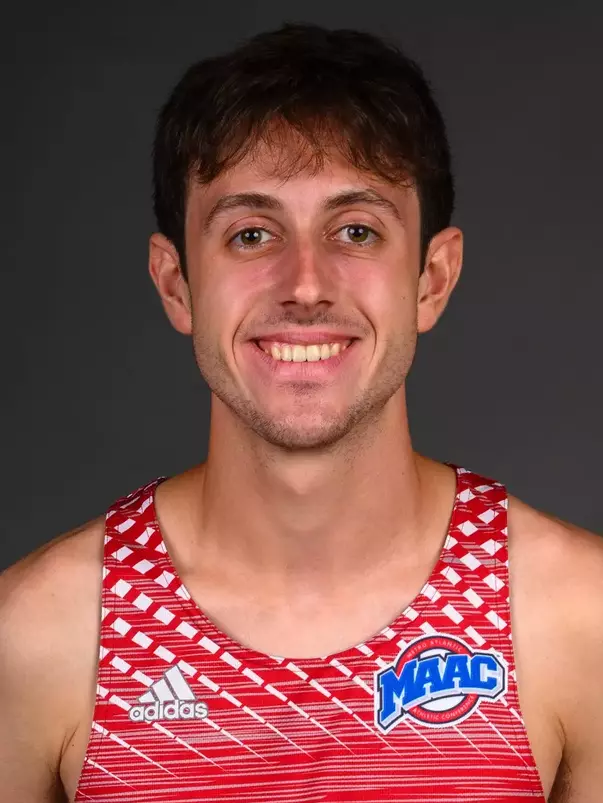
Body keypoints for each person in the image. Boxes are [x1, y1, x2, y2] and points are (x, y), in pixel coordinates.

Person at [1, 21, 601, 803]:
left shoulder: (576, 621)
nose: (306, 283)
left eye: (356, 230)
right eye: (251, 234)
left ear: (433, 277)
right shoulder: (39, 639)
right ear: (175, 283)